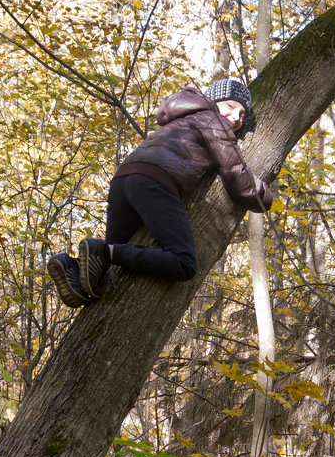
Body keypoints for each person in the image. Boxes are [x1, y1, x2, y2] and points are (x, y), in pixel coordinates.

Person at [48, 76, 275, 307]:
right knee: (184, 263)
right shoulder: (212, 120)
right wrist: (263, 196)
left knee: (107, 261)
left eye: (242, 114)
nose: (236, 117)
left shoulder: (181, 119)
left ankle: (71, 267)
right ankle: (98, 252)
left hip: (123, 180)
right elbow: (236, 173)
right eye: (230, 106)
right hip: (156, 181)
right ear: (213, 101)